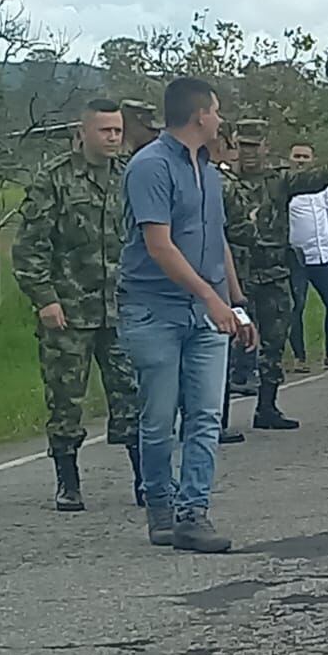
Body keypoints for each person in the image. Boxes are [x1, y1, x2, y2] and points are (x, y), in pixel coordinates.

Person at [118, 77, 256, 553]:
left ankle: (192, 512)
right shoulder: (149, 167)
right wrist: (209, 298)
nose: (220, 120)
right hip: (155, 308)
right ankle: (160, 503)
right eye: (216, 112)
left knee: (205, 416)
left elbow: (215, 238)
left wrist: (234, 304)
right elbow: (159, 246)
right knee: (158, 418)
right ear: (200, 115)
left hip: (207, 310)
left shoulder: (210, 171)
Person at [11, 99, 140, 512]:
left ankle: (146, 481)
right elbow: (30, 245)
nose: (113, 138)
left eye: (118, 130)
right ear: (83, 133)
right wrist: (45, 298)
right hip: (70, 310)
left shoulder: (130, 176)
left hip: (122, 307)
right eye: (105, 130)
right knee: (66, 398)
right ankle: (68, 482)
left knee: (133, 395)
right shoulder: (55, 179)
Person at [234, 122, 328, 430]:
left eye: (254, 146)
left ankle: (267, 407)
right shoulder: (222, 180)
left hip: (272, 270)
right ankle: (217, 418)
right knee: (230, 344)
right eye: (243, 145)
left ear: (265, 147)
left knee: (274, 340)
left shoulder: (278, 181)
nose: (249, 152)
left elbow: (306, 180)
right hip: (235, 273)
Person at [285, 142, 328, 373]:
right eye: (297, 156)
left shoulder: (322, 187)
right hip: (296, 257)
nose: (301, 160)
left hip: (323, 255)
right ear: (290, 158)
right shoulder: (284, 187)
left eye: (306, 156)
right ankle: (299, 357)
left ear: (313, 159)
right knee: (296, 306)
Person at [212, 124, 250, 445]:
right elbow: (234, 230)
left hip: (230, 272)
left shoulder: (214, 177)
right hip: (211, 279)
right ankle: (211, 420)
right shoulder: (216, 180)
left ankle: (213, 419)